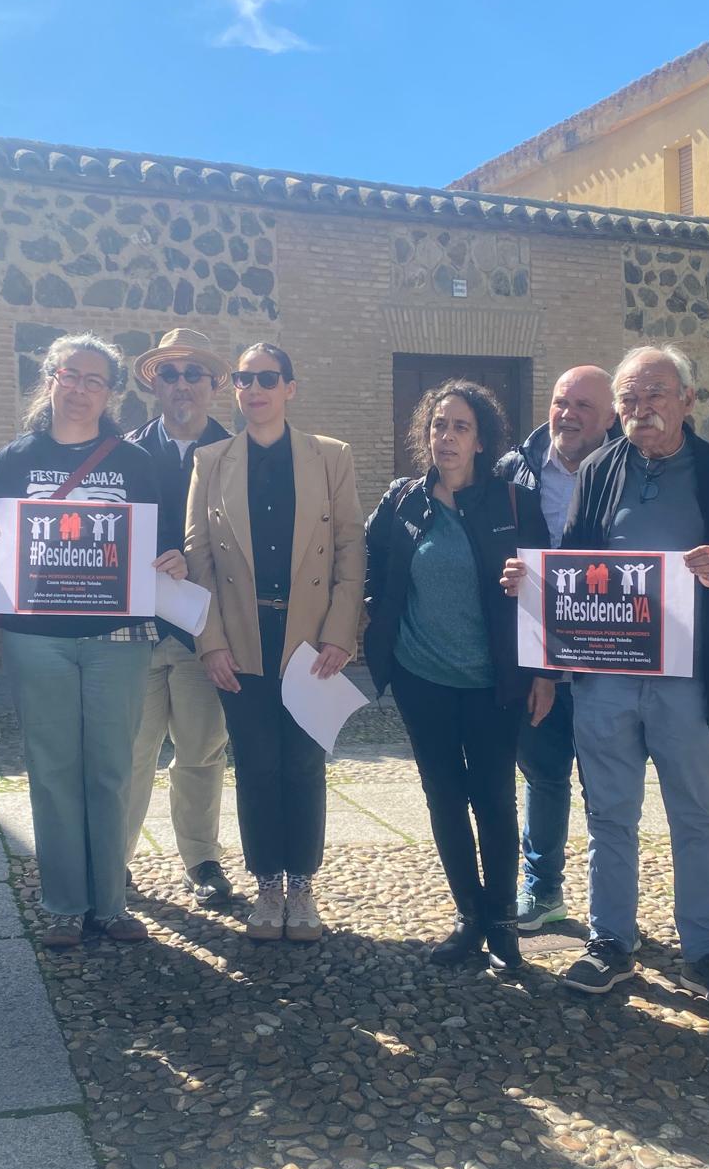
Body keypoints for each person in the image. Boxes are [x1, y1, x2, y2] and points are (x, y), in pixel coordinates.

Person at [503, 345, 709, 1008]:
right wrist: (530, 583)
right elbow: (572, 559)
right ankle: (611, 942)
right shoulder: (599, 468)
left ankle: (706, 951)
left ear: (687, 400)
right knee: (610, 812)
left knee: (696, 815)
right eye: (630, 400)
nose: (642, 410)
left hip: (688, 675)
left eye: (656, 394)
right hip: (607, 675)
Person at [0, 333, 187, 950]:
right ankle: (62, 902)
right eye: (71, 375)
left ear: (110, 393)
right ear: (50, 379)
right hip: (37, 638)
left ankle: (108, 904)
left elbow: (165, 543)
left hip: (119, 637)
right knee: (52, 769)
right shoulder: (14, 459)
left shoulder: (135, 462)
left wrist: (174, 561)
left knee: (111, 769)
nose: (81, 388)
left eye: (95, 380)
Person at [366, 380, 555, 970]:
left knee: (494, 799)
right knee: (443, 798)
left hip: (492, 682)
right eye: (437, 426)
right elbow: (369, 570)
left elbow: (547, 587)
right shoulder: (403, 502)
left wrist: (544, 671)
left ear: (481, 440)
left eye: (460, 427)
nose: (445, 437)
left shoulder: (512, 502)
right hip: (422, 679)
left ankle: (501, 921)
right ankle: (468, 917)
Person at [184, 343, 365, 943]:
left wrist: (342, 632)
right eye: (244, 379)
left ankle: (303, 885)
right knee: (256, 764)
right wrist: (210, 641)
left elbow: (348, 549)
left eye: (267, 378)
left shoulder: (330, 457)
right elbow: (198, 557)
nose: (254, 389)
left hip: (311, 639)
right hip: (241, 638)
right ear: (234, 389)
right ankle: (266, 884)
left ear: (290, 386)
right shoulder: (209, 460)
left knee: (304, 764)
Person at [495, 366, 618, 931]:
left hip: (609, 662)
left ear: (612, 414)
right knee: (543, 778)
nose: (567, 415)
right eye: (560, 402)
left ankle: (610, 911)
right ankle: (542, 892)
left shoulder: (630, 468)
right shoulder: (511, 472)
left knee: (607, 791)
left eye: (583, 406)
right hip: (535, 661)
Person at [123, 329, 235, 907]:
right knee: (130, 753)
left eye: (194, 373)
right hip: (133, 632)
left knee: (201, 751)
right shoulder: (123, 454)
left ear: (215, 385)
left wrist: (196, 562)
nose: (182, 384)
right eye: (170, 374)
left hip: (204, 632)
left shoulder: (239, 455)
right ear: (154, 385)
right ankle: (115, 863)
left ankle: (202, 859)